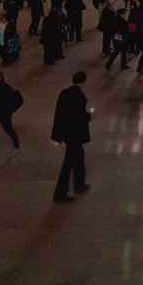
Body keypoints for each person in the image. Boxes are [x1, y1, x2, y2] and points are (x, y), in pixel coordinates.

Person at [51, 71, 92, 203]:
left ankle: (79, 184)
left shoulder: (65, 93)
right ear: (83, 82)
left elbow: (59, 114)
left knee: (79, 157)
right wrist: (89, 116)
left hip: (68, 133)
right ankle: (60, 194)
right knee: (68, 164)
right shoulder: (79, 96)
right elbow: (79, 117)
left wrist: (57, 135)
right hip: (75, 135)